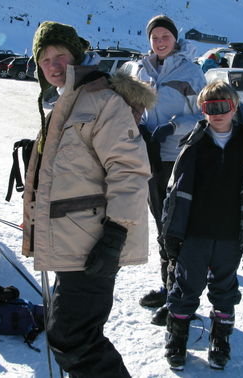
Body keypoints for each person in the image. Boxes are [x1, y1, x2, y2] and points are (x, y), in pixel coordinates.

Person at [21, 21, 155, 377]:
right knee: (67, 330)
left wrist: (116, 233)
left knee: (72, 336)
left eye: (59, 55)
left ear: (76, 57)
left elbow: (130, 171)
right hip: (71, 239)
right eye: (44, 58)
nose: (52, 64)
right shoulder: (64, 103)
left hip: (95, 242)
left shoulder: (102, 102)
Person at [160, 80, 243, 371]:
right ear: (202, 110)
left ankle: (220, 341)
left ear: (234, 107)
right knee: (185, 289)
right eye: (210, 107)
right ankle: (176, 339)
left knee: (225, 291)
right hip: (195, 232)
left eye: (223, 107)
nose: (217, 113)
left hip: (230, 235)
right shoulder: (194, 145)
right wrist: (171, 234)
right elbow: (175, 194)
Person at [135, 14, 206, 324]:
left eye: (165, 35)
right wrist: (136, 125)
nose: (160, 41)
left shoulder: (192, 72)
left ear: (175, 39)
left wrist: (173, 128)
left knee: (176, 227)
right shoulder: (141, 69)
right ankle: (168, 288)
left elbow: (204, 117)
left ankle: (179, 296)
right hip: (148, 156)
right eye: (155, 36)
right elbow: (134, 106)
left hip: (177, 157)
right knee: (160, 224)